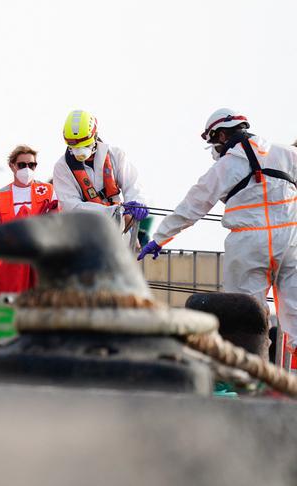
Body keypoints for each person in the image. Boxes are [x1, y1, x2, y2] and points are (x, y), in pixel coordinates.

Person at [139, 109, 297, 360]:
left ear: (222, 135)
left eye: (214, 142)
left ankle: (251, 380)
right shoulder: (288, 154)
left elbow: (192, 206)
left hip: (248, 245)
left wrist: (160, 238)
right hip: (291, 243)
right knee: (296, 315)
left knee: (246, 318)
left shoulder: (226, 166)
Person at [51, 110, 149, 234]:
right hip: (83, 233)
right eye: (75, 146)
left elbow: (133, 184)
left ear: (95, 137)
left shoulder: (116, 155)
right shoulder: (62, 167)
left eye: (85, 144)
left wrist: (137, 204)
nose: (80, 151)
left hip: (119, 231)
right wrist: (112, 211)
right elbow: (71, 206)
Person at [0, 145, 57, 303]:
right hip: (10, 268)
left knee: (38, 315)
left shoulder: (49, 191)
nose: (27, 169)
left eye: (32, 165)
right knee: (8, 315)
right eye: (22, 165)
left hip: (39, 265)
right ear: (12, 165)